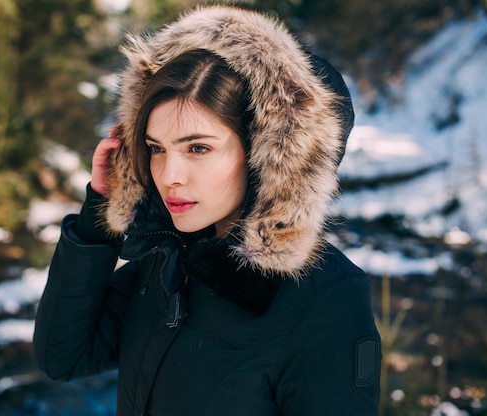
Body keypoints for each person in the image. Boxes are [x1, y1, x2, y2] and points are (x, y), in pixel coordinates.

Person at [34, 5, 381, 415]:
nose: (169, 176)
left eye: (198, 148)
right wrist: (102, 208)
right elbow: (64, 356)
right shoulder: (166, 260)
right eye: (155, 149)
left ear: (265, 155)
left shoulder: (325, 297)